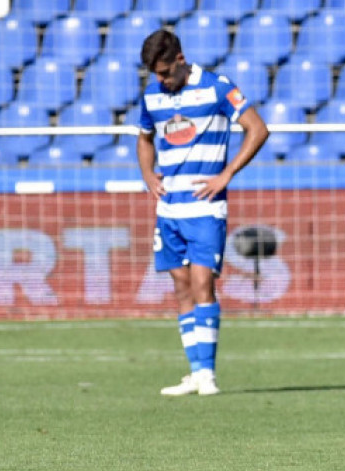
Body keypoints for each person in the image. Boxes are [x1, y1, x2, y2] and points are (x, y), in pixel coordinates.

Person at [137, 29, 269, 396]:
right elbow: (144, 137)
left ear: (180, 60)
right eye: (155, 75)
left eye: (164, 73)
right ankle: (194, 372)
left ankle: (208, 374)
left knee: (202, 283)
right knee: (180, 286)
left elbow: (257, 129)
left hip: (205, 207)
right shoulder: (153, 95)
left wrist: (227, 174)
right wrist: (148, 174)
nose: (160, 81)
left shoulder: (217, 87)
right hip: (169, 207)